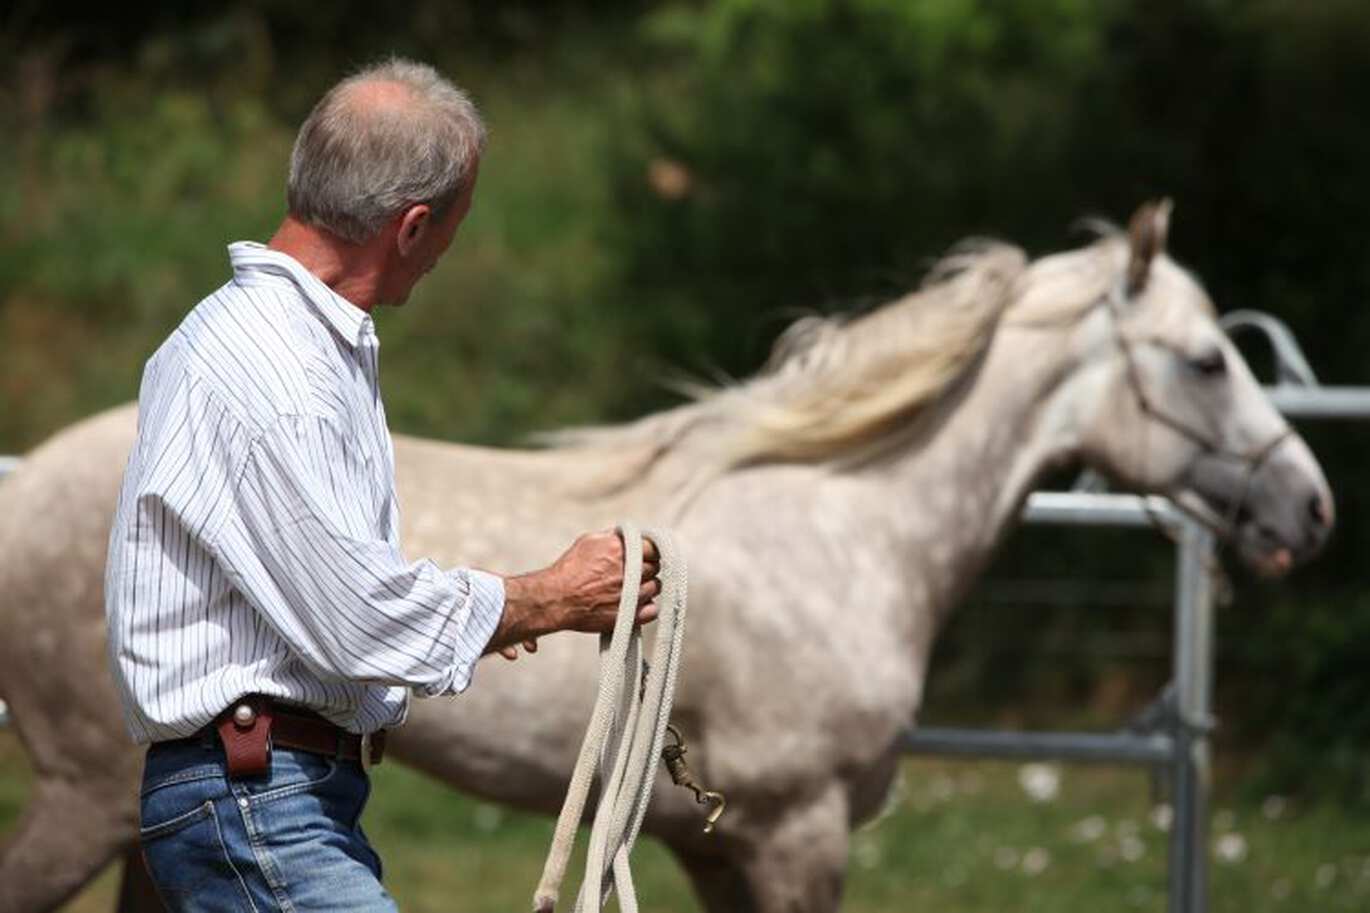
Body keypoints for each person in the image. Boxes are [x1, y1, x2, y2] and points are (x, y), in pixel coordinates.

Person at [104, 57, 660, 912]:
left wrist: (485, 612)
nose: (447, 251)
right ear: (410, 228)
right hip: (259, 800)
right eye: (453, 226)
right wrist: (547, 597)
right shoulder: (277, 370)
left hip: (267, 794)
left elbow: (312, 588)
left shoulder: (271, 343)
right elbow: (356, 619)